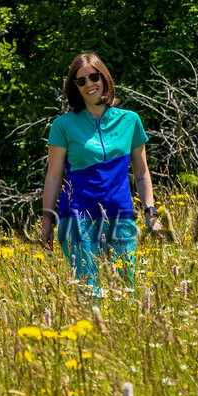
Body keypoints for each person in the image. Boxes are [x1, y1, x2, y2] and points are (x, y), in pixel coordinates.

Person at [40, 54, 156, 297]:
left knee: (125, 292)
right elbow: (53, 176)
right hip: (76, 217)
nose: (89, 84)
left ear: (104, 78)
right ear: (75, 87)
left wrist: (150, 212)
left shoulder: (130, 121)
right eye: (81, 81)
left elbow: (142, 172)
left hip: (121, 215)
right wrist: (46, 223)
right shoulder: (62, 125)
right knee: (88, 292)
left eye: (94, 77)